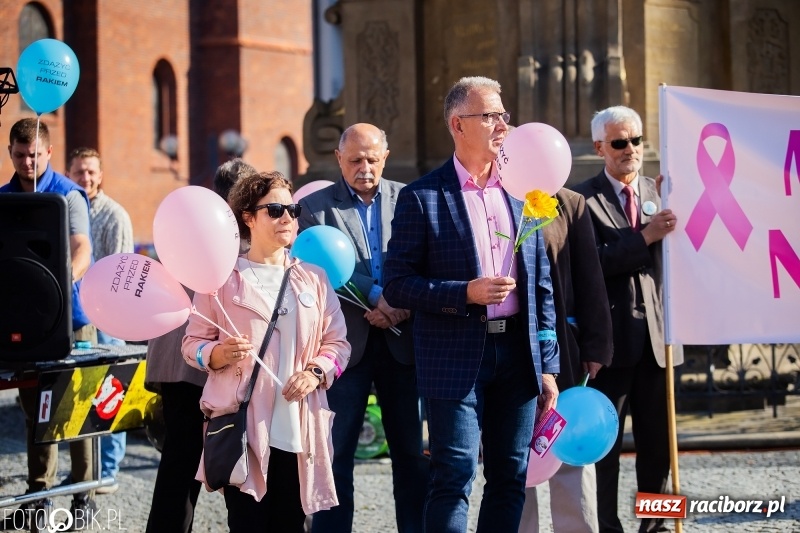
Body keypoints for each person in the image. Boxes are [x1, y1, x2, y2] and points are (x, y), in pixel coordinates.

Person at [383, 76, 560, 533]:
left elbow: (540, 287)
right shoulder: (422, 197)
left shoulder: (524, 193)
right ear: (458, 124)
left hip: (518, 358)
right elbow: (398, 285)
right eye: (492, 115)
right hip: (453, 357)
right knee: (455, 473)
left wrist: (548, 364)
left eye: (504, 114)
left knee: (510, 476)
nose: (504, 124)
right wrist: (464, 293)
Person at [182, 171, 350, 532]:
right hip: (245, 429)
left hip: (299, 428)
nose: (287, 218)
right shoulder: (221, 281)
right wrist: (217, 354)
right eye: (275, 209)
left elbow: (338, 344)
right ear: (248, 217)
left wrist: (316, 372)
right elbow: (191, 345)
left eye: (293, 209)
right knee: (247, 524)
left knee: (292, 523)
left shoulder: (315, 278)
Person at [298, 123, 428, 533]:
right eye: (355, 159)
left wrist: (401, 305)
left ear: (385, 157)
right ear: (339, 159)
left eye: (372, 159)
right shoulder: (315, 208)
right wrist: (375, 296)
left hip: (403, 345)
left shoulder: (411, 198)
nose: (365, 167)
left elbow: (425, 260)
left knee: (410, 452)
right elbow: (314, 269)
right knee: (336, 454)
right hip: (343, 348)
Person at [571, 105, 682, 533]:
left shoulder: (661, 194)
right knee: (605, 451)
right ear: (600, 147)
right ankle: (607, 528)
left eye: (636, 140)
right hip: (609, 348)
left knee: (659, 451)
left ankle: (655, 529)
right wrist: (645, 237)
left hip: (658, 343)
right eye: (620, 142)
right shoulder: (582, 200)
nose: (630, 150)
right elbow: (587, 267)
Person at [144, 157, 256, 533]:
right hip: (204, 363)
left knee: (180, 466)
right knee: (230, 466)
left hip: (176, 362)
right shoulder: (237, 240)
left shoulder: (189, 221)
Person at [2, 118, 97, 529]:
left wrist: (60, 285)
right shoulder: (3, 198)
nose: (27, 162)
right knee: (37, 412)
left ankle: (84, 494)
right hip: (22, 324)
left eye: (35, 155)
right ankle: (40, 494)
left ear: (49, 153)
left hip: (72, 321)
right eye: (20, 155)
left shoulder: (69, 195)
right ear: (10, 154)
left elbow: (82, 250)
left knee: (76, 410)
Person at [518, 188, 614, 533]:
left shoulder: (570, 203)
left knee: (571, 455)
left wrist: (596, 344)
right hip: (506, 352)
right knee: (515, 460)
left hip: (564, 352)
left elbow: (590, 277)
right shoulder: (490, 195)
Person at [66, 147, 134, 495]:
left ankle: (108, 469)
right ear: (69, 173)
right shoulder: (64, 209)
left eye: (91, 171)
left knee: (110, 393)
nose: (85, 178)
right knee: (77, 392)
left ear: (100, 174)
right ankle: (83, 469)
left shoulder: (116, 215)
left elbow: (122, 271)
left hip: (109, 316)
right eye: (79, 171)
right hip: (75, 316)